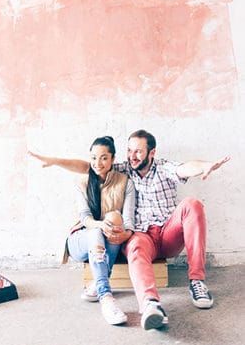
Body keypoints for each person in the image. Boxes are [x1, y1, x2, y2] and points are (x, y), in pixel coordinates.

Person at [29, 129, 230, 331]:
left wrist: (205, 166)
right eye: (129, 151)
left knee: (192, 204)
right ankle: (151, 305)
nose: (132, 156)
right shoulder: (123, 169)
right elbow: (89, 166)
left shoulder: (163, 167)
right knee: (133, 244)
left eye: (138, 152)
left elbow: (185, 168)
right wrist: (55, 160)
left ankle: (197, 282)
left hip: (168, 233)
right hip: (142, 236)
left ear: (152, 153)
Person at [30, 136, 135, 326]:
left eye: (104, 158)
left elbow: (128, 221)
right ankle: (106, 299)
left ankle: (98, 283)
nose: (97, 163)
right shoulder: (83, 182)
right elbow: (85, 218)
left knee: (114, 219)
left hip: (109, 239)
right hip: (81, 239)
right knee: (96, 231)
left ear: (113, 159)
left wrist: (123, 232)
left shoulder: (125, 182)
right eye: (93, 158)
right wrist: (100, 225)